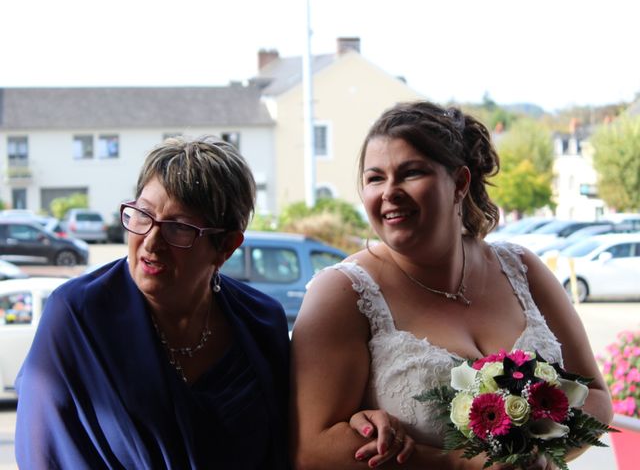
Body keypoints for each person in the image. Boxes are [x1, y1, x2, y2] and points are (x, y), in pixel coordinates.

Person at [290, 101, 613, 469]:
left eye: (411, 173)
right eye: (375, 178)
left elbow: (596, 396)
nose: (390, 191)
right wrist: (461, 464)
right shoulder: (344, 293)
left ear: (460, 183)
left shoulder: (522, 269)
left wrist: (535, 455)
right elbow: (311, 450)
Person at [15, 136, 290, 469]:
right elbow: (45, 453)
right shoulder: (77, 316)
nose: (151, 242)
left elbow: (291, 441)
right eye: (142, 215)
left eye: (178, 228)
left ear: (226, 247)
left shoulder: (261, 322)